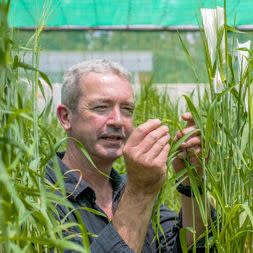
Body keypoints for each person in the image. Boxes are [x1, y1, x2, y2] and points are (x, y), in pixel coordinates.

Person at [45, 59, 212, 252]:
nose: (117, 121)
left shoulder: (125, 187)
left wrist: (192, 182)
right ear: (66, 117)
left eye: (127, 110)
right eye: (101, 107)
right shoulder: (41, 196)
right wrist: (140, 191)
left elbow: (189, 247)